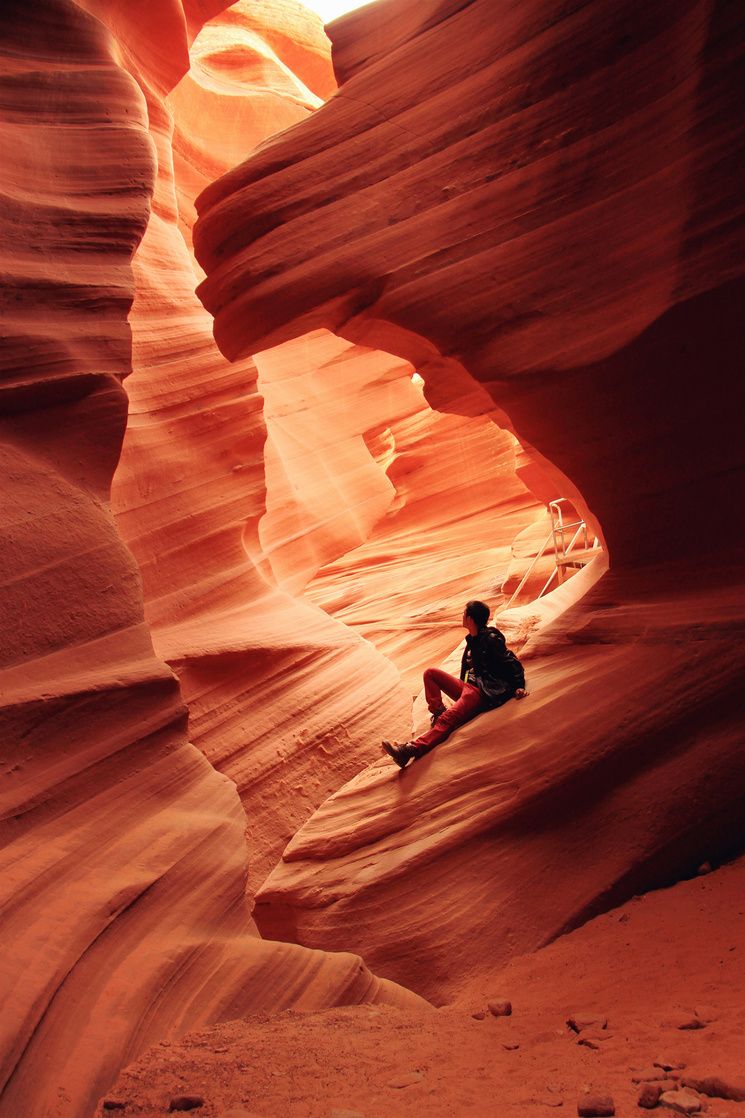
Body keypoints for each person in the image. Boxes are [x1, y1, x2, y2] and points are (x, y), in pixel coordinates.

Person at [382, 599, 527, 769]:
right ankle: (438, 714)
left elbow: (511, 661)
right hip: (469, 687)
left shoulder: (491, 639)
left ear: (471, 619)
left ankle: (408, 751)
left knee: (448, 719)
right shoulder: (473, 639)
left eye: (464, 613)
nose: (462, 616)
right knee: (430, 673)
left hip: (482, 692)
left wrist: (519, 686)